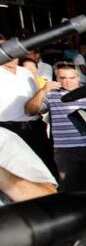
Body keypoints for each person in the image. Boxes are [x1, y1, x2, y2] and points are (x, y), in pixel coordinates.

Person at [24, 62, 86, 192]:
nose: (68, 82)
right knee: (70, 189)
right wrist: (43, 90)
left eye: (72, 78)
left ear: (78, 76)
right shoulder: (51, 94)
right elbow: (30, 110)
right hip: (66, 150)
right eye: (63, 78)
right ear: (57, 78)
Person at [0, 35, 55, 175]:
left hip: (35, 127)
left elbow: (38, 98)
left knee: (46, 168)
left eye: (12, 49)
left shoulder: (26, 72)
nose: (10, 53)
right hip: (9, 129)